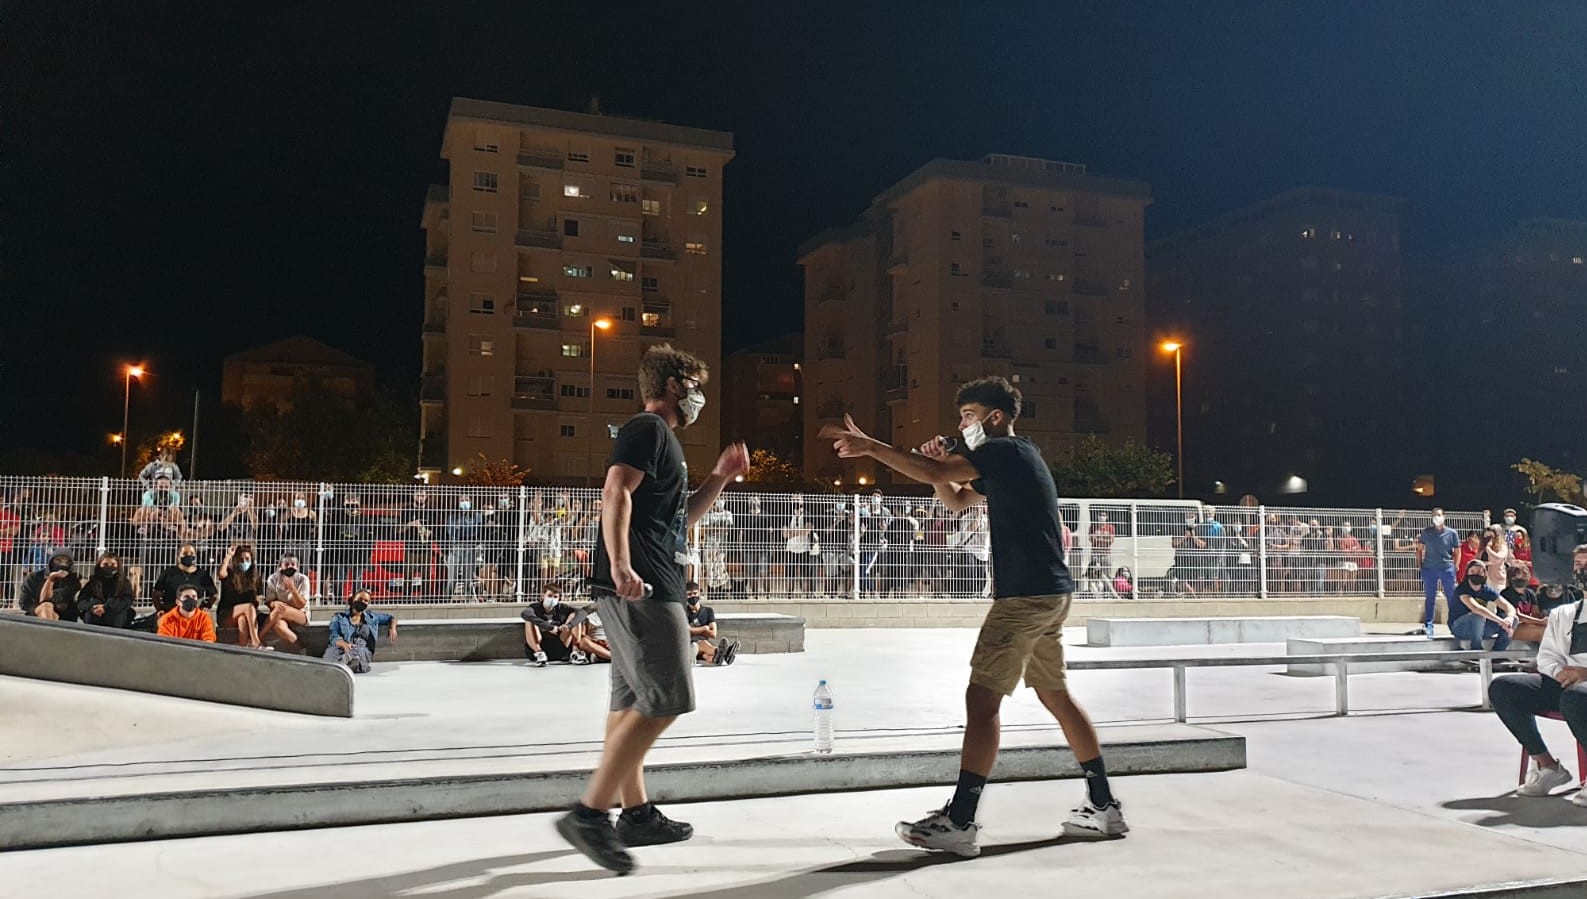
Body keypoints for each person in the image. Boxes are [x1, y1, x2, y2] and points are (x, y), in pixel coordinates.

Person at [821, 376, 1126, 858]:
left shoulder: (1005, 452)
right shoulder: (1018, 458)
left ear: (996, 418)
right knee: (1056, 696)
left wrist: (873, 448)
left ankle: (960, 819)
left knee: (981, 700)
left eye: (968, 416)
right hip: (1049, 593)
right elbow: (958, 498)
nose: (961, 424)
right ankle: (1104, 805)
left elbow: (923, 473)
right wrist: (946, 470)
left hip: (1024, 597)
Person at [555, 344, 749, 876]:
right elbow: (615, 491)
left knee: (631, 699)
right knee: (669, 696)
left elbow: (677, 519)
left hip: (643, 577)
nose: (698, 395)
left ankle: (635, 813)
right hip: (642, 585)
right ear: (671, 385)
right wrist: (620, 564)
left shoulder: (663, 443)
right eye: (692, 383)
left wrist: (721, 477)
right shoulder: (648, 429)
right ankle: (590, 813)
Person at [1488, 574, 1587, 804]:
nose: (1582, 571)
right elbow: (1548, 656)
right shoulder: (1563, 613)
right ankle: (1548, 766)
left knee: (1574, 698)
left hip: (1580, 689)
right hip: (1566, 683)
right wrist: (1558, 673)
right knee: (1504, 688)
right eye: (1579, 566)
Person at [1450, 559, 1516, 654]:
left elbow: (1509, 607)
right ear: (1467, 573)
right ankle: (1476, 650)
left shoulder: (1487, 590)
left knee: (1515, 619)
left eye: (1480, 572)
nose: (1476, 574)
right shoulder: (1462, 590)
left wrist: (1509, 618)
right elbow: (1476, 608)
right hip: (1460, 628)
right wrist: (1501, 622)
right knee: (1477, 616)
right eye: (1473, 571)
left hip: (1482, 628)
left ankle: (1499, 652)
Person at [325, 590, 398, 673]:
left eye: (366, 601)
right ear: (353, 599)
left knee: (358, 652)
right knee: (333, 652)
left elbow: (391, 618)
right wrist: (345, 645)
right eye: (360, 599)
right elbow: (334, 636)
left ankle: (341, 666)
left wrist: (393, 627)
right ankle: (343, 665)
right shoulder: (339, 617)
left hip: (361, 650)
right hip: (342, 647)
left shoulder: (372, 617)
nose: (362, 602)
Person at [1416, 508, 1462, 636]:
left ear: (1444, 516)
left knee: (1451, 597)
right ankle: (1429, 625)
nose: (1437, 517)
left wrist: (1455, 566)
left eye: (1439, 515)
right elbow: (1419, 550)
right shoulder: (1426, 532)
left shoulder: (1452, 533)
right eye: (1434, 515)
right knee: (1430, 597)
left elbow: (1457, 551)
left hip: (1446, 568)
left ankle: (1454, 623)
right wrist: (1420, 566)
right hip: (1429, 568)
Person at [216, 543, 265, 649]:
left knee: (242, 619)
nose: (244, 562)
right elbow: (221, 574)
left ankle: (243, 649)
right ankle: (256, 641)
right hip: (226, 614)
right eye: (241, 560)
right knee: (248, 607)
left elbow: (258, 599)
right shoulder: (230, 573)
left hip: (244, 615)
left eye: (247, 559)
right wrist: (228, 556)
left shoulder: (255, 577)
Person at [521, 584, 584, 666]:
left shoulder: (562, 608)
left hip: (559, 646)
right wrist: (549, 627)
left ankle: (575, 651)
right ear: (543, 595)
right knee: (529, 621)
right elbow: (524, 613)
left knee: (575, 616)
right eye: (550, 596)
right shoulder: (535, 607)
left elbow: (582, 613)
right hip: (540, 645)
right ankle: (539, 653)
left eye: (555, 597)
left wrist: (568, 626)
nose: (552, 599)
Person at [260, 553, 311, 650]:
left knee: (280, 610)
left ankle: (257, 639)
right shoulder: (273, 579)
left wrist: (292, 589)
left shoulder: (303, 579)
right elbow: (269, 602)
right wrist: (274, 603)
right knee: (278, 626)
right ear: (280, 567)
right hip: (280, 615)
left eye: (293, 564)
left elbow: (301, 605)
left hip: (301, 614)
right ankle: (300, 648)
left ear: (297, 566)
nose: (290, 567)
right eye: (286, 564)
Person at [152, 542, 218, 615]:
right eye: (185, 553)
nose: (189, 556)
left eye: (192, 553)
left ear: (196, 555)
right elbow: (156, 594)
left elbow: (214, 594)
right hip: (172, 612)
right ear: (178, 555)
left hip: (195, 613)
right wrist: (160, 609)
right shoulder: (169, 573)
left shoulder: (202, 574)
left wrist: (207, 606)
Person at [76, 552, 136, 629]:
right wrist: (92, 608)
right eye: (105, 564)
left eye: (113, 564)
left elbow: (127, 600)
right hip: (95, 616)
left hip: (115, 618)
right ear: (99, 565)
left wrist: (106, 607)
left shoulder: (124, 583)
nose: (109, 567)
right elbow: (81, 601)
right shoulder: (93, 582)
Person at [685, 582, 738, 666]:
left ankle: (720, 656)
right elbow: (686, 631)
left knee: (706, 655)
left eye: (695, 593)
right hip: (690, 644)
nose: (693, 596)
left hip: (703, 648)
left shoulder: (708, 611)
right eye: (689, 594)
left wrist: (694, 631)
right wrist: (705, 628)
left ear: (699, 593)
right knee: (700, 643)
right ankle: (725, 652)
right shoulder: (684, 611)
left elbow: (713, 634)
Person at [18, 552, 82, 621]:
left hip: (65, 614)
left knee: (47, 607)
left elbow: (51, 598)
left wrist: (51, 579)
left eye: (66, 562)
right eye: (58, 560)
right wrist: (51, 578)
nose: (62, 564)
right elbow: (24, 603)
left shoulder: (73, 579)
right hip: (37, 612)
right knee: (46, 608)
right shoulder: (33, 577)